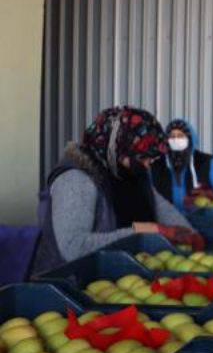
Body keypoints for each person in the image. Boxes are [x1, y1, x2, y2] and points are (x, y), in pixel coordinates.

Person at [32, 106, 204, 274]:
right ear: (118, 148)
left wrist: (189, 232)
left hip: (116, 277)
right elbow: (74, 247)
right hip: (68, 283)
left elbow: (160, 206)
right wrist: (146, 230)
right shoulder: (76, 180)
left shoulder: (127, 172)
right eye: (142, 156)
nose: (146, 164)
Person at [151, 119, 213, 211]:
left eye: (180, 136)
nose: (175, 139)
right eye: (172, 136)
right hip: (165, 219)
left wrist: (211, 194)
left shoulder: (205, 162)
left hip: (199, 218)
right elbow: (146, 193)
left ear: (190, 138)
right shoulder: (157, 165)